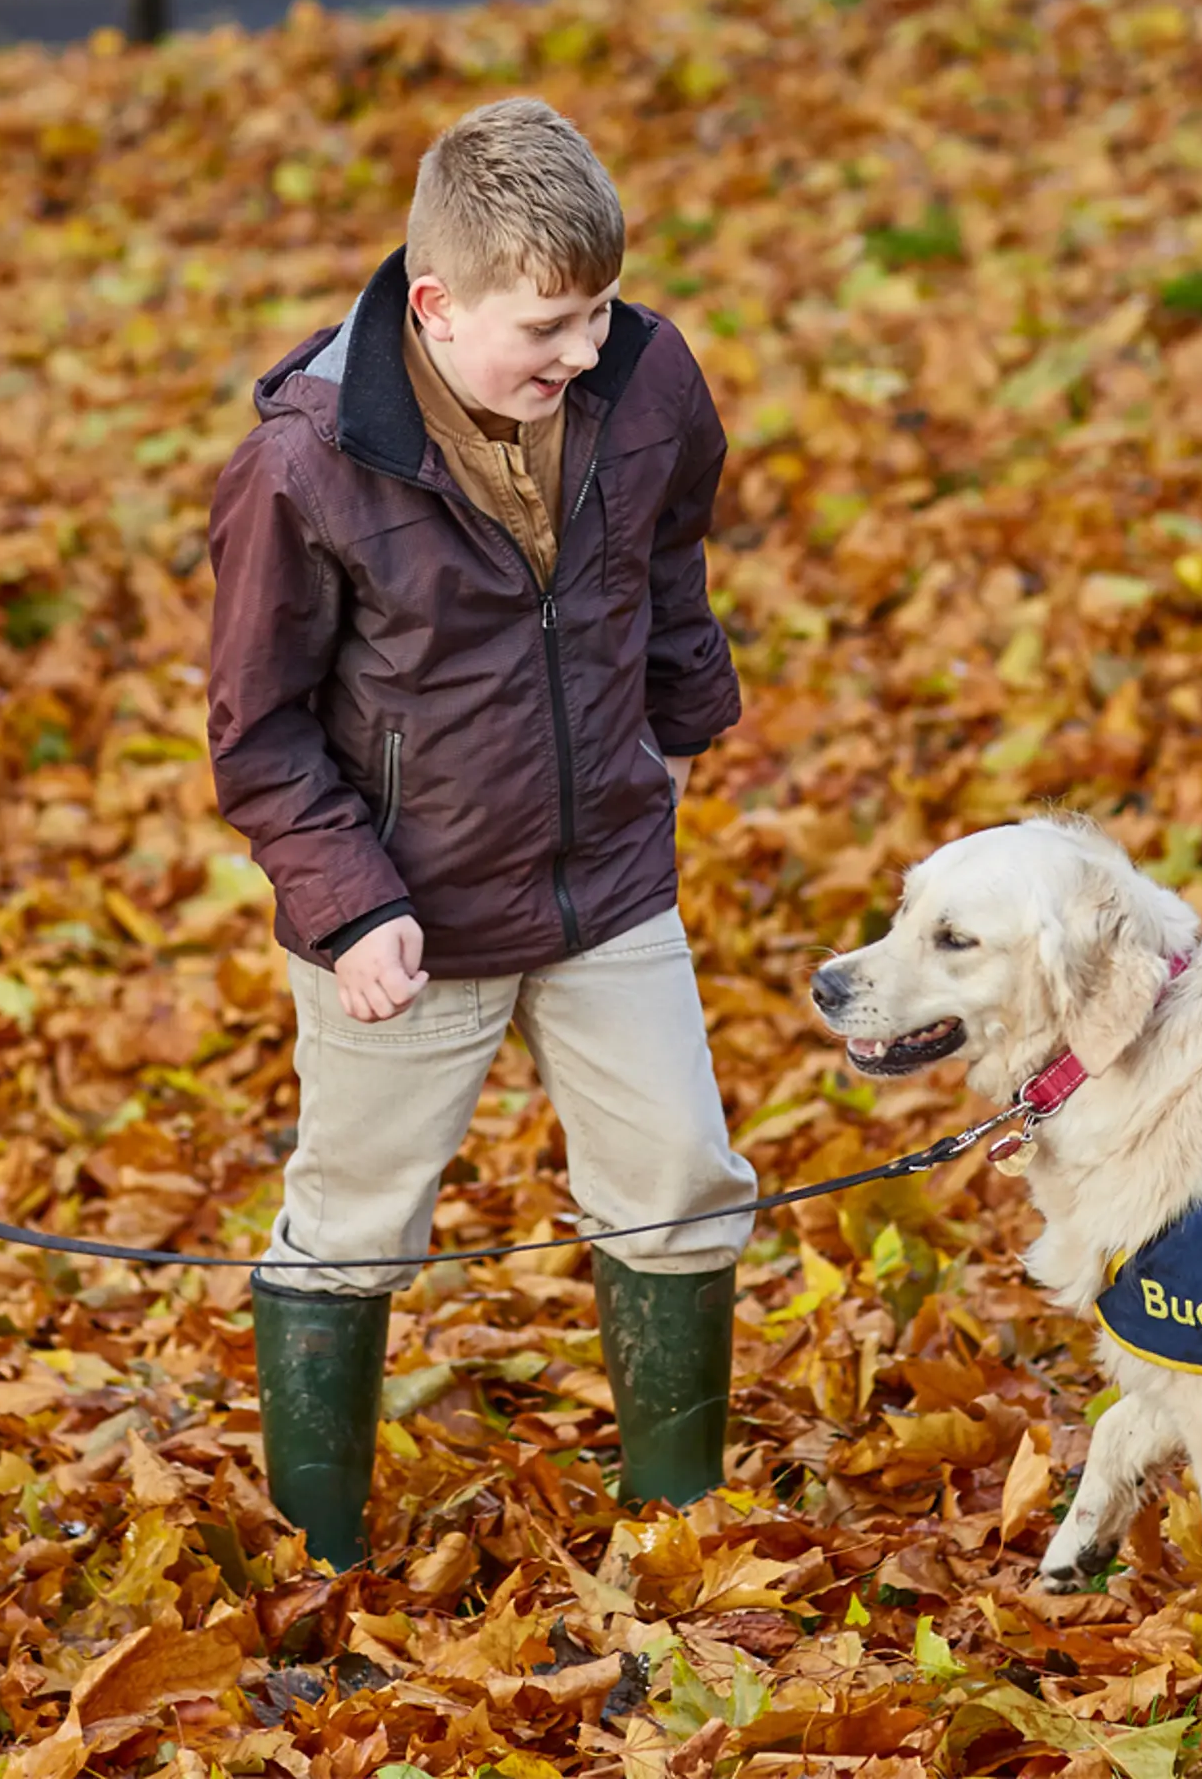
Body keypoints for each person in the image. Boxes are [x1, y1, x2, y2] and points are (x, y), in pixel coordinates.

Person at [204, 97, 755, 1564]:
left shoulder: (647, 382)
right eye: (548, 327)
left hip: (607, 886)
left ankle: (679, 1529)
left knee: (682, 1185)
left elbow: (671, 559)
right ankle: (319, 1553)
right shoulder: (305, 469)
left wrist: (678, 734)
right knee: (355, 1222)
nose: (584, 351)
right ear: (437, 307)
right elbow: (259, 733)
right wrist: (349, 905)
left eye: (601, 311)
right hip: (410, 915)